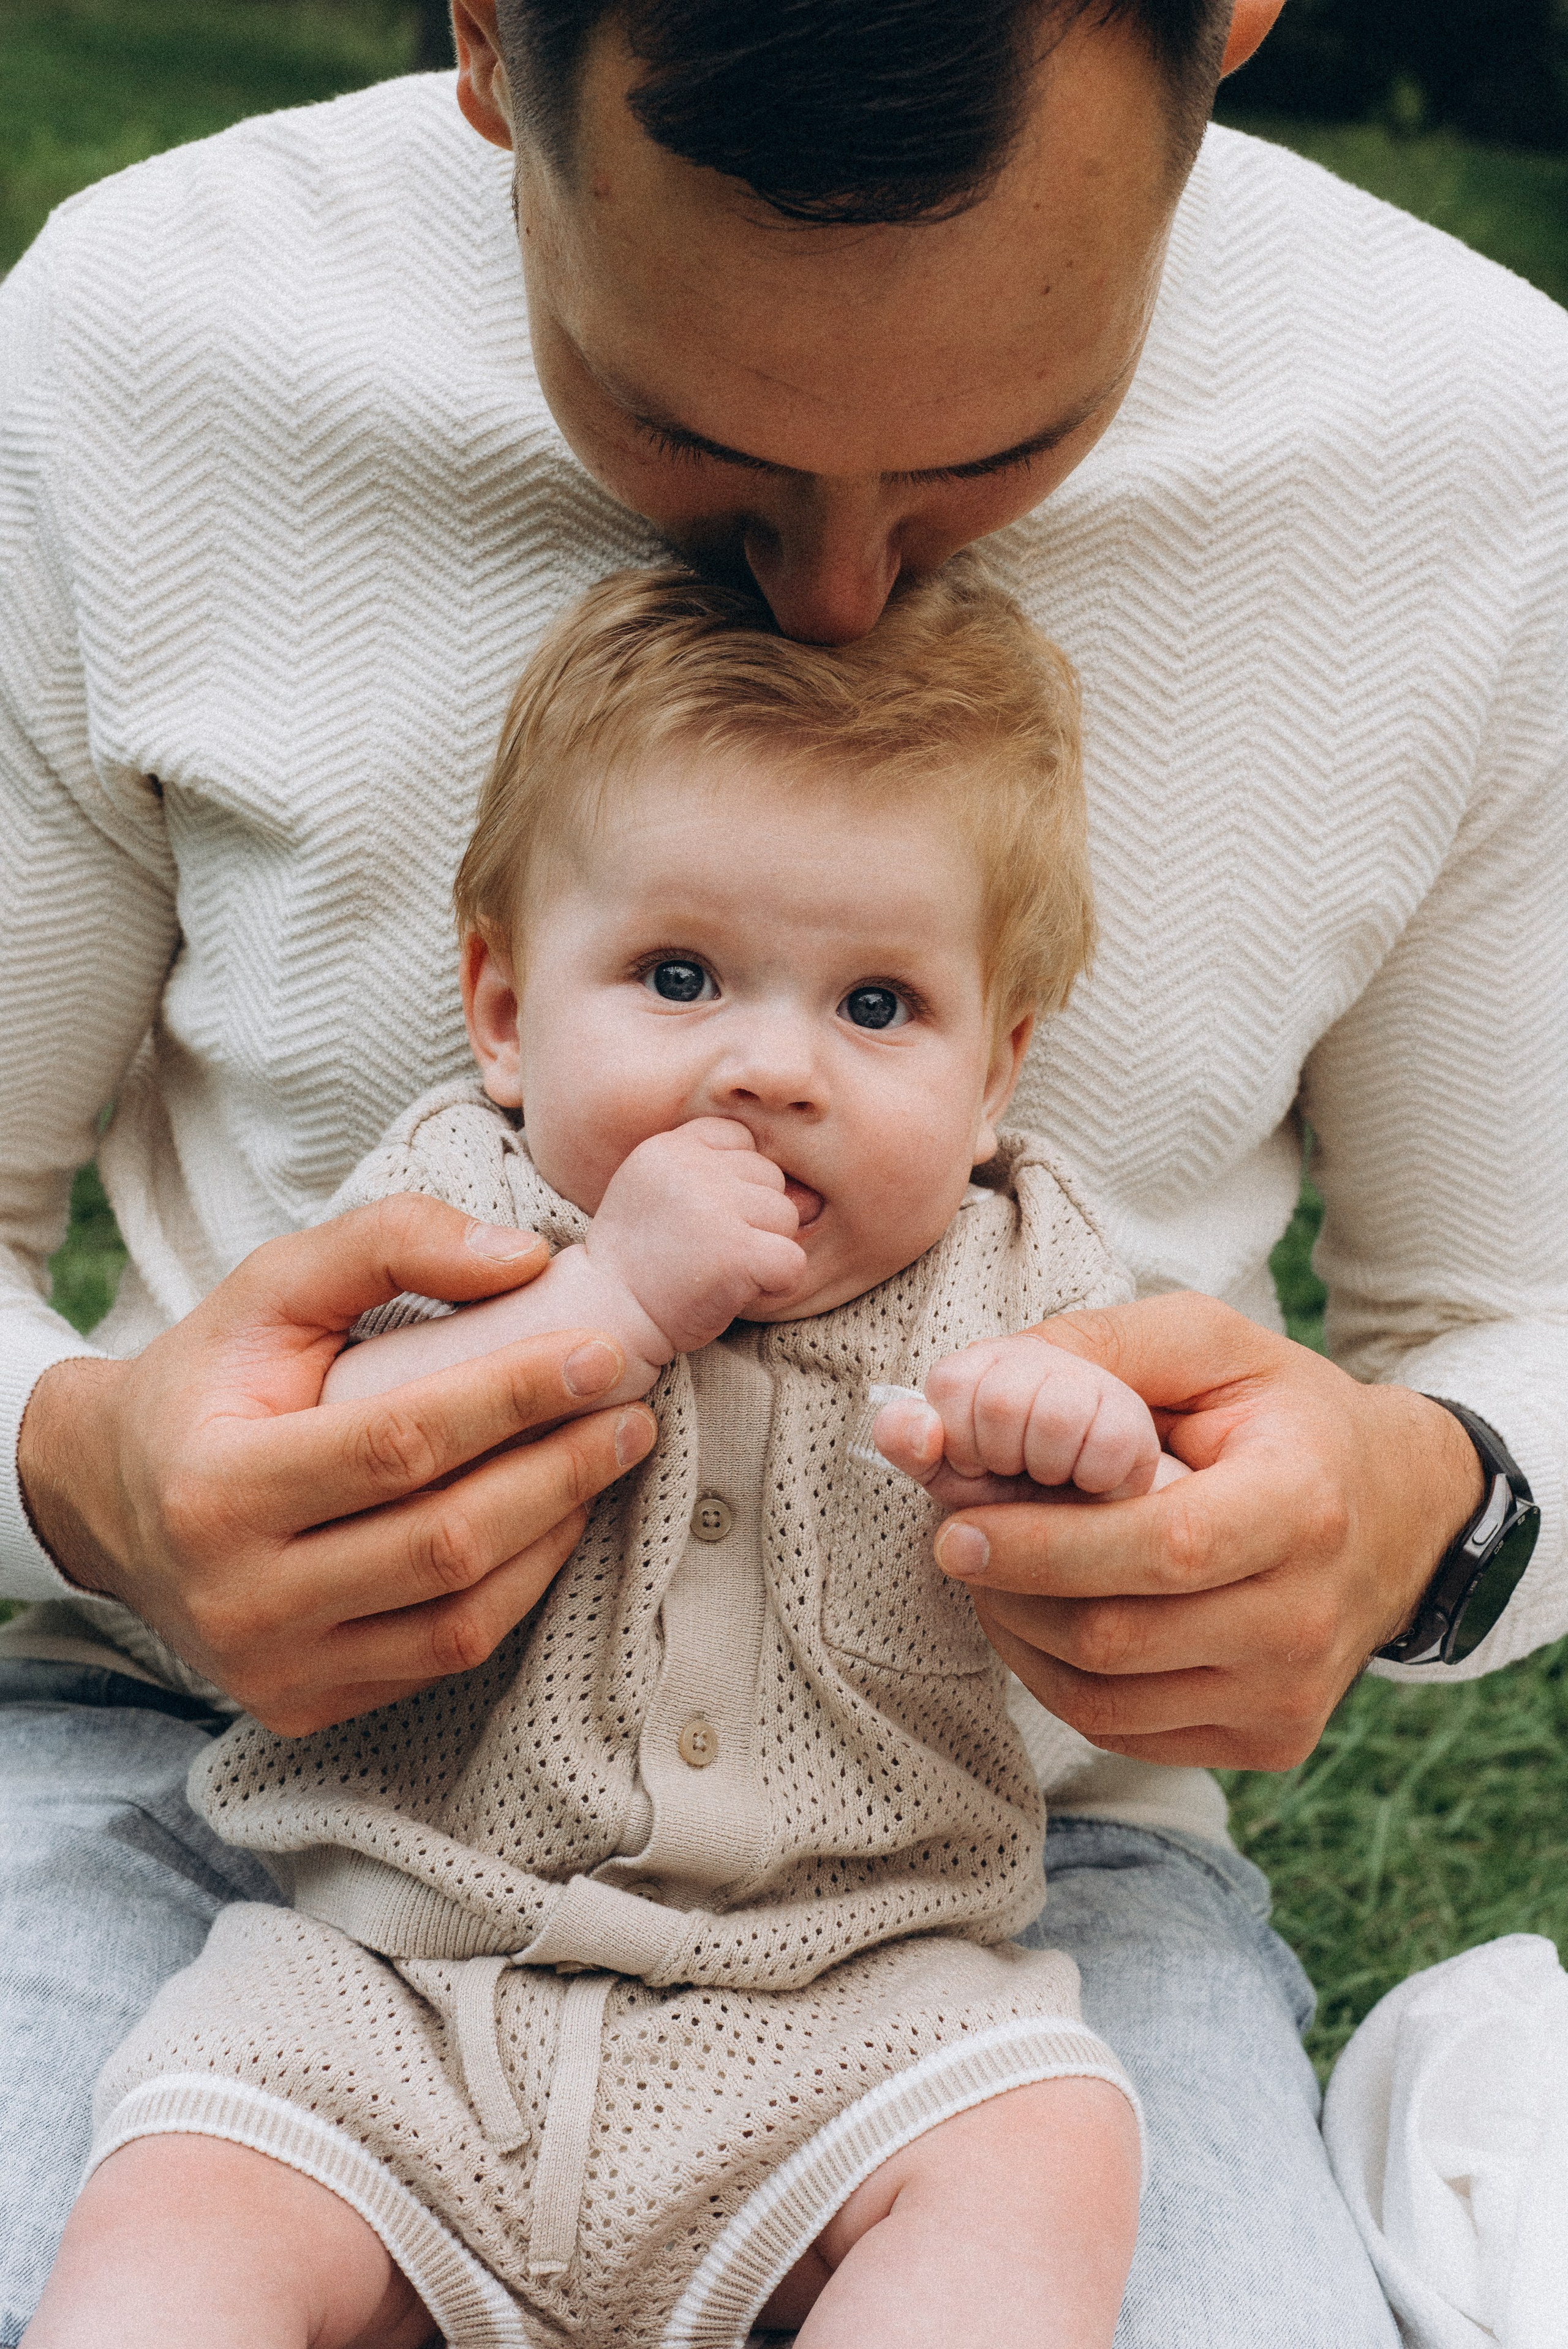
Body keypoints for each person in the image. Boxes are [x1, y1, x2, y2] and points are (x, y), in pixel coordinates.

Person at [1, 1, 1564, 2340]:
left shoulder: (1477, 453)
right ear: (482, 37)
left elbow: (1521, 1318)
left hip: (993, 1891)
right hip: (226, 1789)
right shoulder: (135, 348)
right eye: (677, 422)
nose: (838, 601)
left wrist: (1430, 1507)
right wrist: (74, 1462)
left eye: (1012, 441)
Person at [29, 559, 1162, 2349]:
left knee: (1048, 2133)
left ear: (1000, 1068)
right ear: (499, 1005)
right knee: (183, 2195)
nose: (770, 1067)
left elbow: (1136, 1573)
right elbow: (310, 1475)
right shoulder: (452, 1211)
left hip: (852, 2001)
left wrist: (1085, 1457)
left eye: (878, 1007)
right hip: (390, 1988)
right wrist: (612, 1296)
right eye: (680, 975)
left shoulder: (1022, 1276)